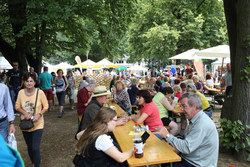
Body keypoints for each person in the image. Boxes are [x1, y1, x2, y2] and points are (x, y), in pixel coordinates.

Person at [154, 92, 219, 167]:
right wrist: (177, 149)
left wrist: (167, 135)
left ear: (194, 106)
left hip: (197, 164)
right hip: (192, 158)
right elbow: (189, 143)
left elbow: (187, 147)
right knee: (165, 160)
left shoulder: (202, 123)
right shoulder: (196, 119)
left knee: (166, 164)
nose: (181, 109)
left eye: (184, 106)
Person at [15, 72, 48, 167]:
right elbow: (17, 106)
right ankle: (34, 162)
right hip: (26, 123)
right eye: (27, 81)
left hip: (38, 123)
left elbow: (45, 106)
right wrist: (25, 113)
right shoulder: (21, 92)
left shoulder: (40, 92)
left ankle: (36, 165)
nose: (29, 83)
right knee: (29, 147)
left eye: (31, 81)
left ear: (34, 82)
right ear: (24, 82)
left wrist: (39, 114)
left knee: (35, 147)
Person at [0, 72, 16, 142]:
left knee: (3, 149)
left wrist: (11, 123)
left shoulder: (3, 88)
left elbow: (8, 106)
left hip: (1, 123)